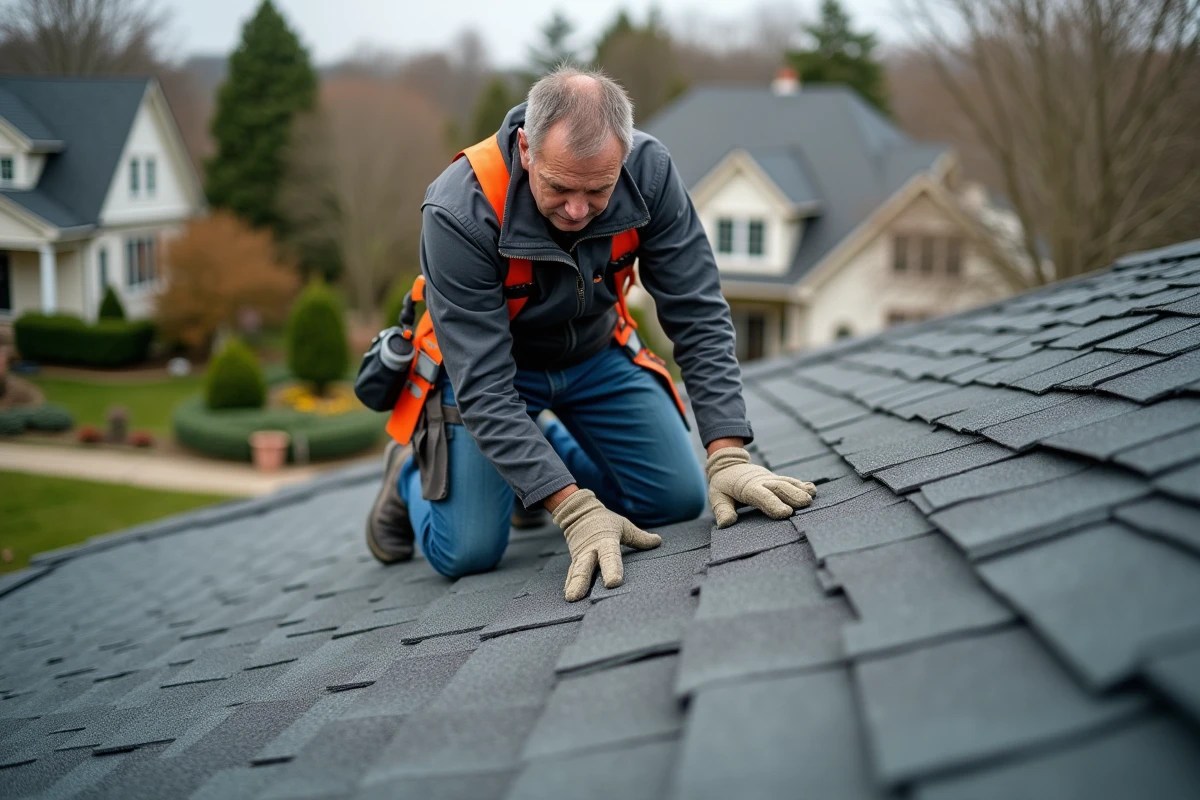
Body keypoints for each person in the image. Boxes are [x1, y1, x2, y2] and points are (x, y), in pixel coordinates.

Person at [366, 66, 816, 601]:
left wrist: (728, 454)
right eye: (558, 188)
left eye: (597, 190)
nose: (577, 210)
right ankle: (409, 476)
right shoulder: (459, 210)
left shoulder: (649, 174)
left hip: (595, 354)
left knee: (675, 500)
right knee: (467, 552)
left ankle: (537, 456)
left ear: (622, 156)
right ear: (527, 149)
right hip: (491, 376)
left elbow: (698, 313)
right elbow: (483, 385)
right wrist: (573, 509)